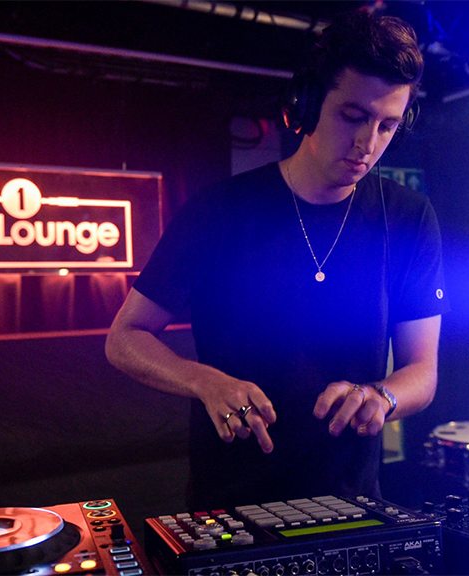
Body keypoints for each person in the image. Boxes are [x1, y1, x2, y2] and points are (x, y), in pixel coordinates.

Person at [106, 9, 447, 509]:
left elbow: (422, 372)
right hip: (229, 504)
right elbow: (124, 337)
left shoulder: (409, 217)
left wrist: (382, 396)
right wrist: (203, 380)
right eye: (352, 117)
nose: (367, 143)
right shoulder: (218, 211)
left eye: (387, 126)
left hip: (350, 502)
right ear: (306, 104)